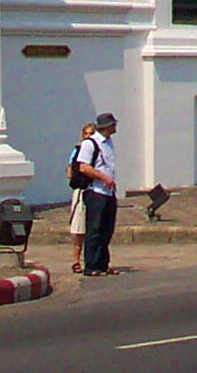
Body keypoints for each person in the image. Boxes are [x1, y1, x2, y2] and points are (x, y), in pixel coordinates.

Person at [73, 111, 121, 275]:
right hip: (95, 191)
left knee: (106, 230)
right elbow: (84, 167)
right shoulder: (90, 144)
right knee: (94, 229)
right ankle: (91, 265)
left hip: (108, 192)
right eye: (113, 124)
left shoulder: (109, 142)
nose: (115, 127)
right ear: (107, 127)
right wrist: (103, 178)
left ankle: (102, 263)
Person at [67, 120, 95, 273]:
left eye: (91, 134)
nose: (88, 136)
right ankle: (76, 261)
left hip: (94, 191)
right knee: (78, 229)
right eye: (86, 134)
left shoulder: (97, 150)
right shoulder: (77, 150)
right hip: (81, 190)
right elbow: (70, 168)